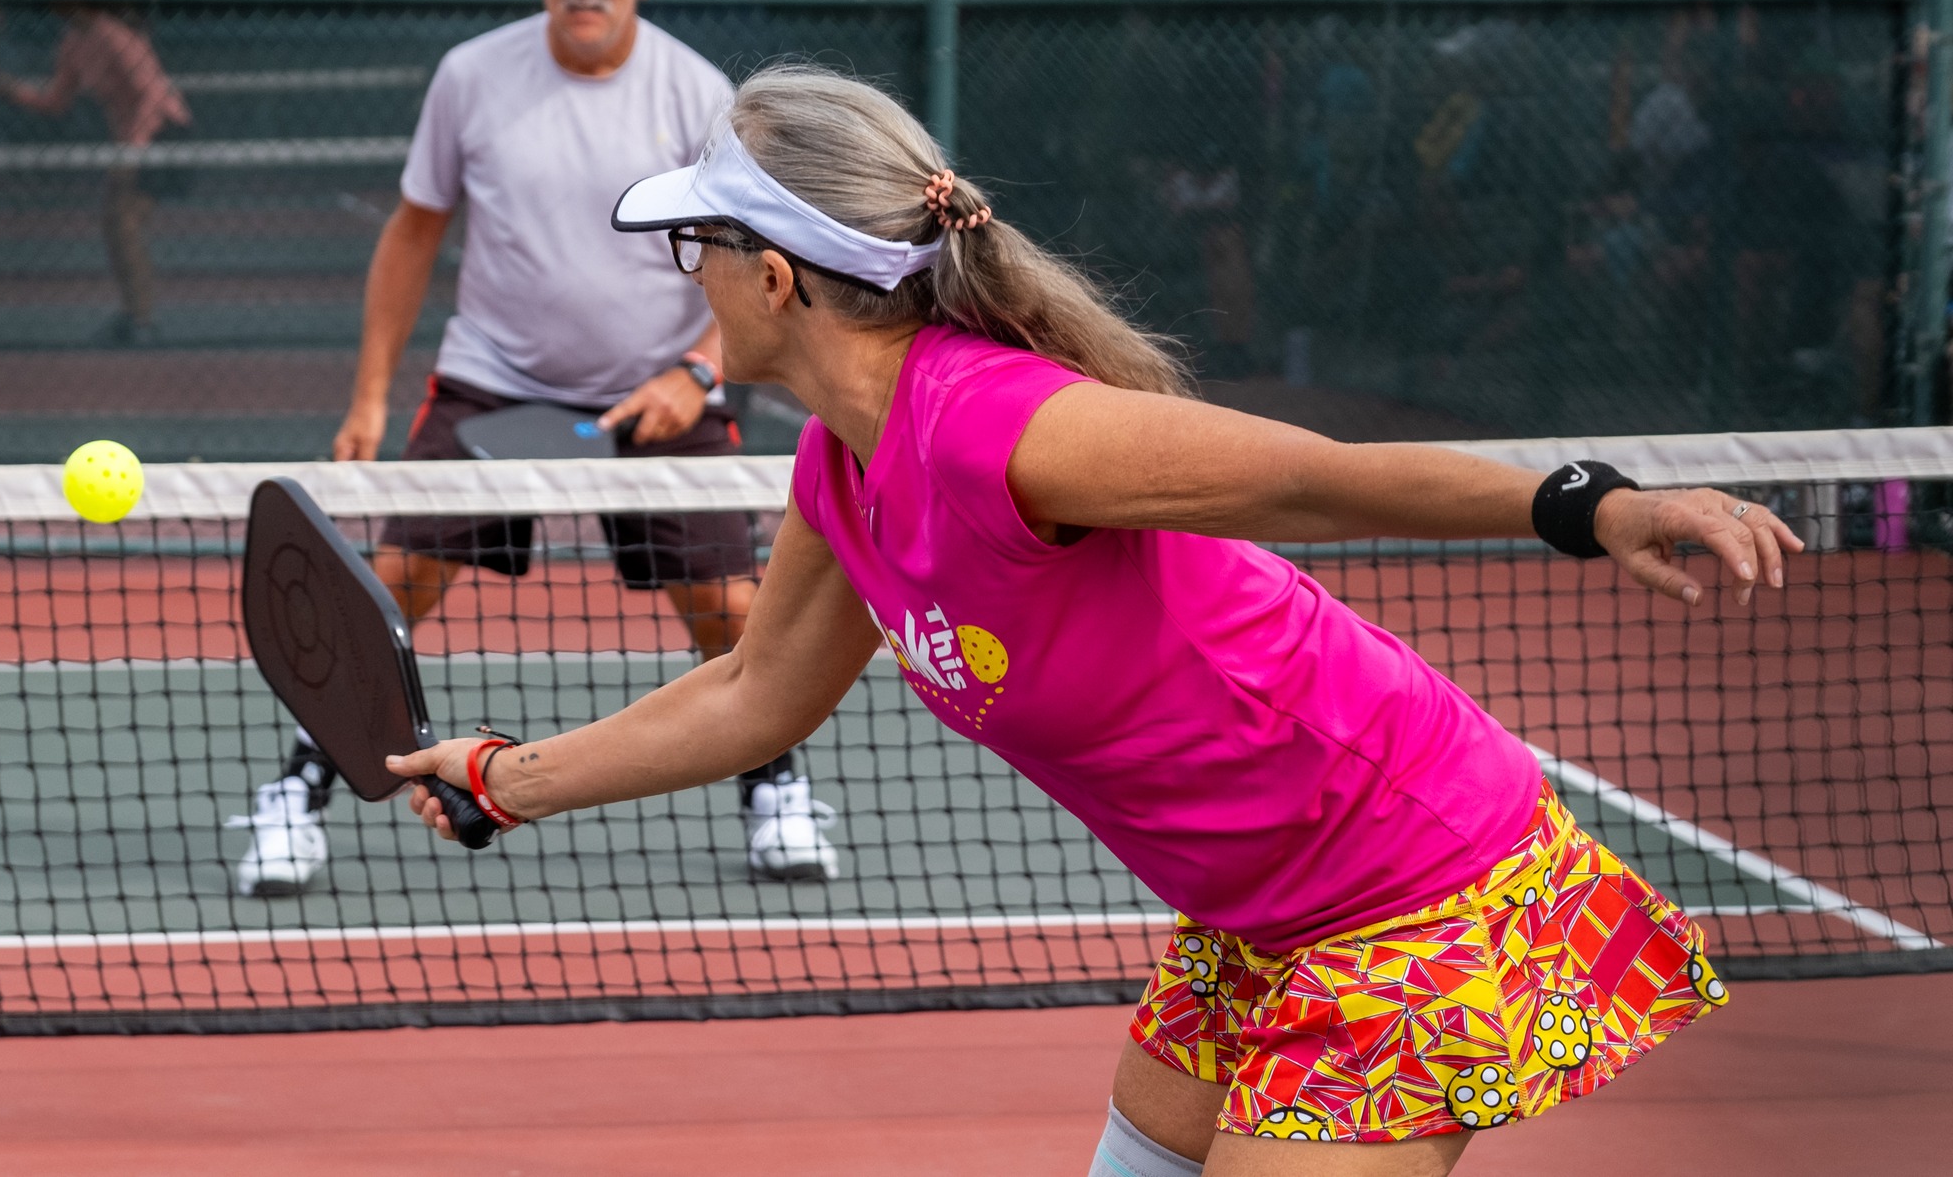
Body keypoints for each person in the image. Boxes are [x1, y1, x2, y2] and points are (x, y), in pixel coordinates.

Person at [386, 65, 1798, 1174]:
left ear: (772, 276)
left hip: (1422, 890)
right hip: (1264, 915)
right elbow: (756, 690)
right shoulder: (842, 461)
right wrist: (510, 783)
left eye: (696, 239)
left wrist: (1591, 504)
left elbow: (1314, 479)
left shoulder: (1004, 426)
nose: (678, 267)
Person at [229, 0, 840, 897]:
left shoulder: (696, 93)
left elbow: (754, 252)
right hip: (492, 382)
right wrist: (370, 396)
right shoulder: (471, 77)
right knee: (389, 593)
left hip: (659, 390)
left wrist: (697, 372)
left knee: (731, 610)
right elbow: (414, 230)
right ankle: (298, 790)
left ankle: (772, 784)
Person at [0, 2, 192, 344]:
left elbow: (152, 96)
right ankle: (133, 314)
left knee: (124, 222)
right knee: (115, 223)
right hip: (131, 140)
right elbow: (56, 100)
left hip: (164, 132)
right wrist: (14, 91)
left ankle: (142, 320)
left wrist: (132, 152)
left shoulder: (114, 35)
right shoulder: (72, 42)